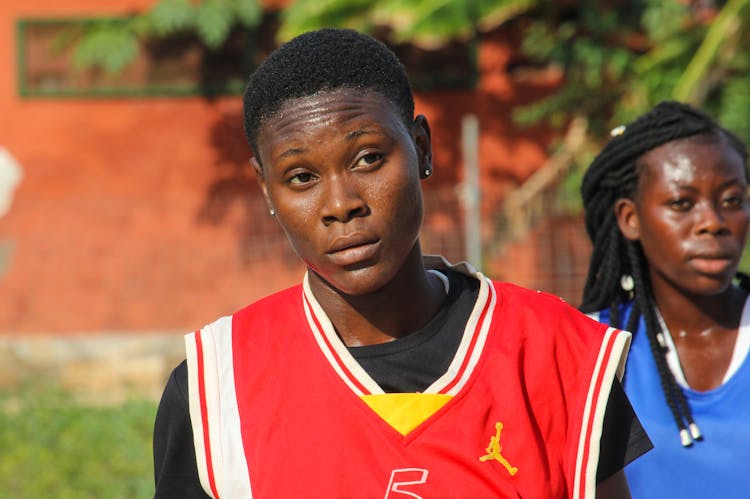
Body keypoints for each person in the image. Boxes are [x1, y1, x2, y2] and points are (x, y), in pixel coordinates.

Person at [153, 28, 650, 498]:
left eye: (368, 158)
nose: (341, 203)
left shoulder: (555, 354)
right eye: (301, 176)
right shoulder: (217, 387)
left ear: (421, 148)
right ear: (266, 188)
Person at [580, 101, 750, 498]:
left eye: (732, 200)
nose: (713, 223)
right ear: (629, 218)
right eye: (682, 203)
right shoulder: (588, 348)